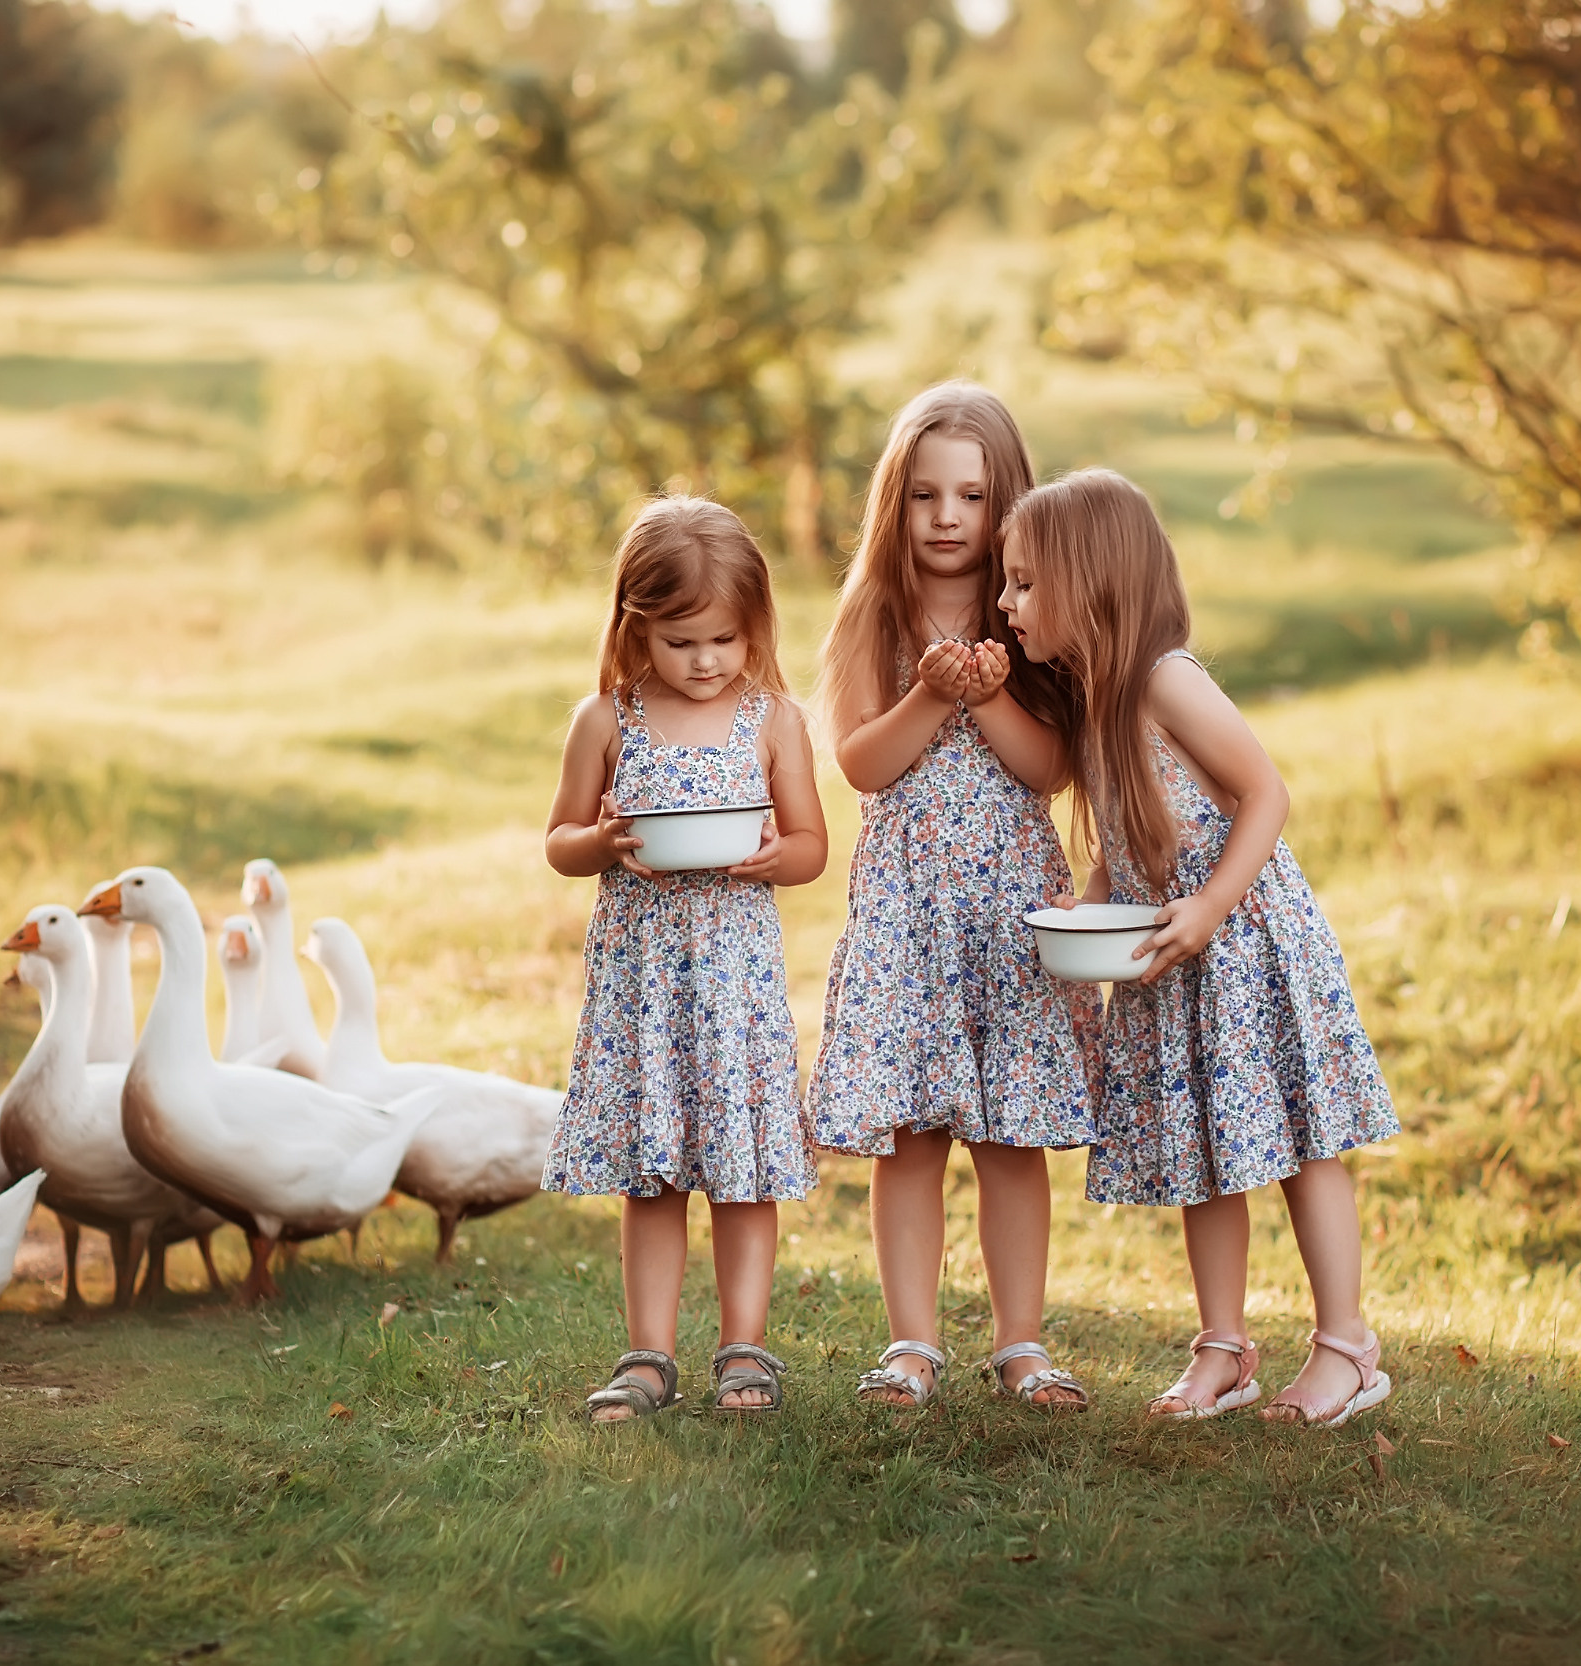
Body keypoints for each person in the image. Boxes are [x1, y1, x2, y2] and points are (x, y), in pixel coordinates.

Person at [1000, 468, 1399, 1427]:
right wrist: (1092, 902)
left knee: (1304, 1143)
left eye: (1024, 583)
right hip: (1172, 960)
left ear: (1090, 584)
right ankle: (1224, 1348)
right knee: (1203, 1151)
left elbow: (1265, 793)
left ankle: (1348, 1348)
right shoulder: (1095, 698)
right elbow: (1131, 830)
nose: (1006, 602)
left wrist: (1213, 908)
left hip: (1245, 948)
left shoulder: (1165, 680)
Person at [807, 383, 1104, 1411]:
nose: (946, 518)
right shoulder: (875, 612)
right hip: (908, 910)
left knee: (1011, 1137)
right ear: (896, 501)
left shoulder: (1028, 607)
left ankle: (1022, 1342)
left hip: (1010, 904)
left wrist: (991, 696)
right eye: (925, 495)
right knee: (912, 1135)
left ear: (1004, 500)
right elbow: (860, 763)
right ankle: (911, 1344)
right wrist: (933, 695)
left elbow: (1051, 768)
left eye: (971, 497)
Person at [542, 496, 829, 1421]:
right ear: (636, 629)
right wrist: (602, 841)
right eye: (680, 643)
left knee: (743, 1171)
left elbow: (811, 845)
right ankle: (649, 1355)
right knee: (653, 1170)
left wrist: (775, 857)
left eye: (724, 640)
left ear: (754, 628)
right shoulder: (605, 720)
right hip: (645, 983)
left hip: (735, 981)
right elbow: (559, 841)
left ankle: (744, 1348)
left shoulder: (774, 719)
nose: (706, 661)